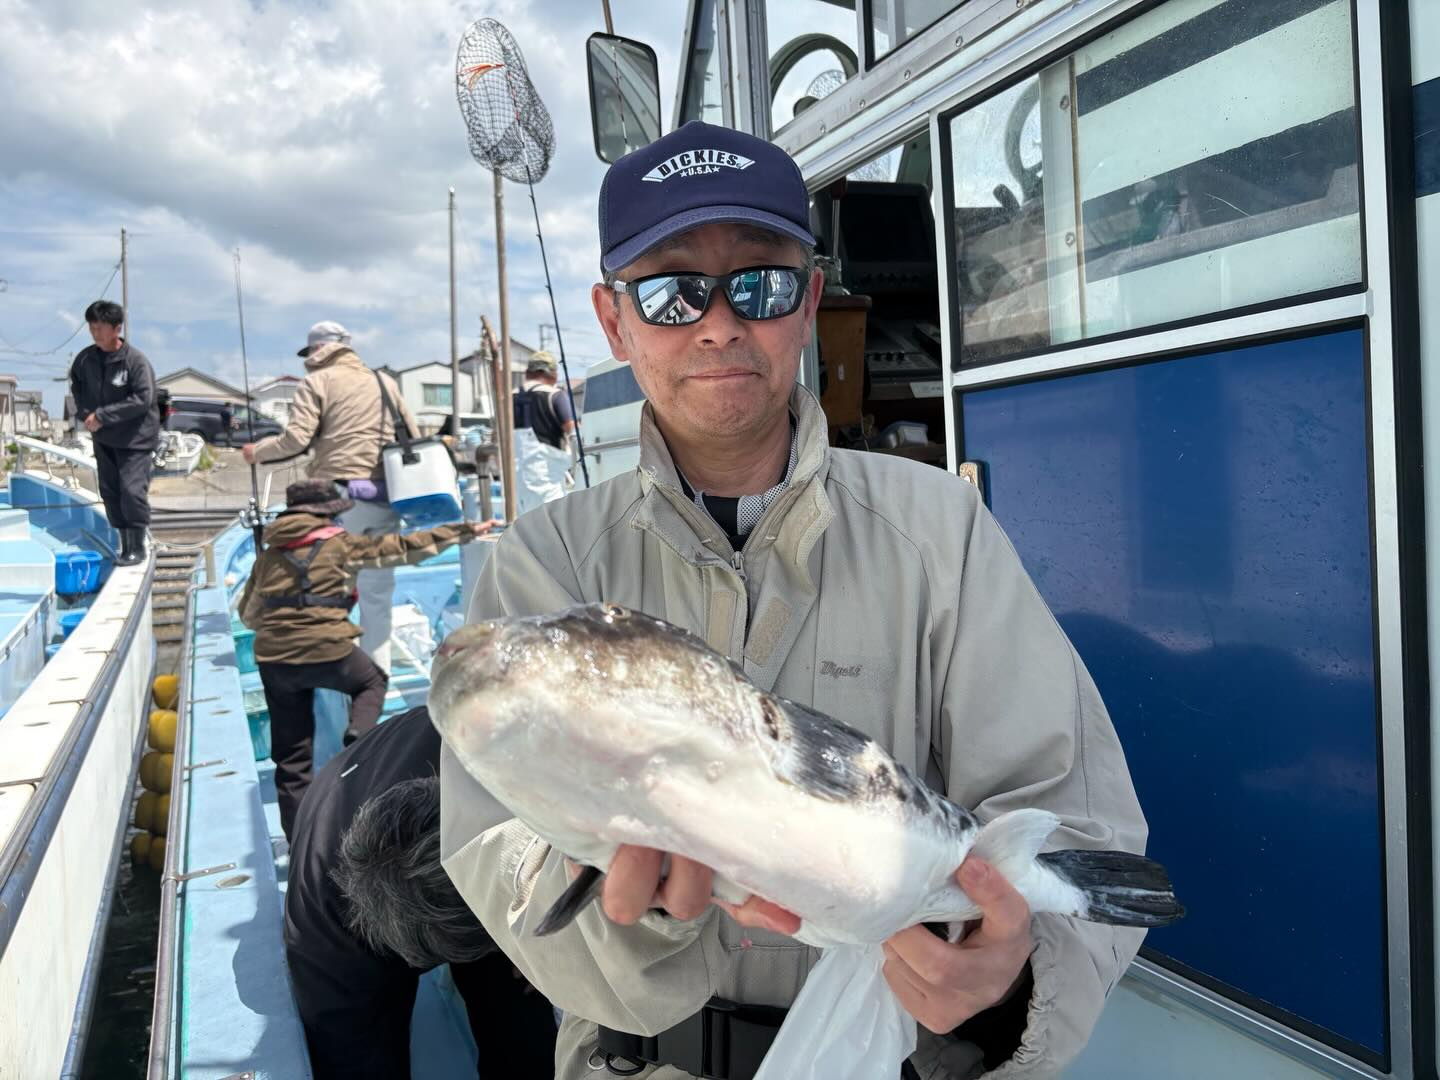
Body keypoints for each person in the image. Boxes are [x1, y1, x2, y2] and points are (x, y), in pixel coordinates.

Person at [439, 121, 1150, 1080]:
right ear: (614, 321)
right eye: (671, 291)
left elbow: (1072, 820)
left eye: (761, 285)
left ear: (808, 303)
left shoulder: (942, 529)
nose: (719, 324)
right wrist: (633, 914)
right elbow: (500, 856)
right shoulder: (543, 564)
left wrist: (1007, 982)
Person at [285, 704, 558, 1079]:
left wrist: (526, 939)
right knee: (359, 1063)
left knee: (520, 1015)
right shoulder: (321, 927)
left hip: (443, 772)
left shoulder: (516, 760)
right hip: (341, 857)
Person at [237, 478, 493, 839]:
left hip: (276, 662)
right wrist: (464, 531)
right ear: (325, 515)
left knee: (292, 759)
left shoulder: (268, 557)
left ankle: (298, 841)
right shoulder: (341, 546)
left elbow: (249, 615)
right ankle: (358, 742)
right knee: (371, 681)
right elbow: (403, 547)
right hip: (330, 652)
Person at [242, 321, 420, 674]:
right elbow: (413, 436)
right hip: (384, 497)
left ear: (318, 350)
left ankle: (334, 681)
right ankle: (376, 677)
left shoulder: (316, 381)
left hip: (338, 499)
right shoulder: (384, 381)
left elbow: (297, 439)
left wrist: (256, 452)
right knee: (377, 597)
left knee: (325, 591)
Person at [68, 300, 159, 566]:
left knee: (131, 491)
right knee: (110, 491)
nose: (95, 332)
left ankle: (137, 546)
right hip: (104, 437)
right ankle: (125, 544)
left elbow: (143, 399)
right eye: (92, 327)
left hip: (136, 439)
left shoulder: (135, 361)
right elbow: (77, 390)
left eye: (100, 327)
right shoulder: (84, 359)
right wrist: (86, 414)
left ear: (117, 328)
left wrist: (103, 416)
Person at [511, 350, 578, 515]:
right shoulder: (555, 396)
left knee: (523, 523)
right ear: (551, 373)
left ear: (528, 373)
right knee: (552, 522)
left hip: (515, 482)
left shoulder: (508, 398)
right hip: (547, 480)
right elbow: (573, 432)